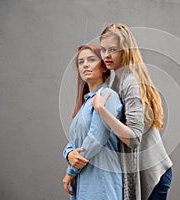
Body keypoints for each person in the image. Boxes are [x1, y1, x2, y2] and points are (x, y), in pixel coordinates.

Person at [92, 23, 173, 200]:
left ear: (126, 50)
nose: (106, 55)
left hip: (154, 175)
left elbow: (134, 138)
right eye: (103, 49)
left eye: (113, 49)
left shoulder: (131, 83)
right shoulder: (117, 79)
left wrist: (101, 110)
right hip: (143, 171)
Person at [62, 44, 123, 200]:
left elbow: (97, 137)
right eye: (81, 62)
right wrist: (68, 153)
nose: (85, 65)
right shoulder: (85, 105)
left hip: (102, 182)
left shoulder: (108, 96)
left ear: (103, 67)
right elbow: (74, 141)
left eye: (91, 60)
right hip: (83, 182)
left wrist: (70, 171)